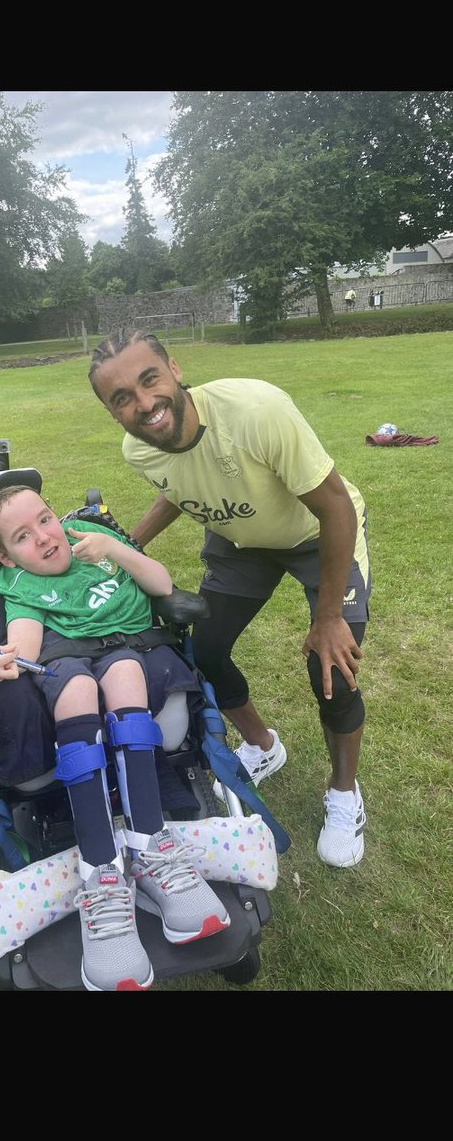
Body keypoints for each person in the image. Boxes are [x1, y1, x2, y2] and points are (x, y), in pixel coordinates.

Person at [88, 328, 371, 870]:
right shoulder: (138, 449)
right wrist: (129, 546)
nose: (144, 404)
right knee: (207, 650)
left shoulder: (255, 410)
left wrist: (330, 615)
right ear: (111, 411)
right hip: (243, 542)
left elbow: (336, 507)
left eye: (150, 380)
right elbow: (177, 487)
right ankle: (264, 746)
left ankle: (344, 793)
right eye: (121, 398)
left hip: (317, 532)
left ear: (174, 367)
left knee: (330, 665)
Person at [0, 484, 230, 992]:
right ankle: (100, 872)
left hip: (130, 648)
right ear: (4, 554)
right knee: (79, 686)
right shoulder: (21, 585)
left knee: (127, 672)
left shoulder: (90, 537)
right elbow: (22, 649)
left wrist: (113, 547)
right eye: (24, 536)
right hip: (66, 659)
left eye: (45, 520)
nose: (44, 537)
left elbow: (161, 582)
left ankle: (151, 846)